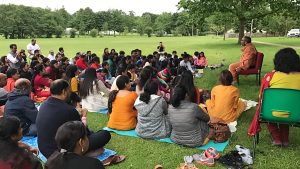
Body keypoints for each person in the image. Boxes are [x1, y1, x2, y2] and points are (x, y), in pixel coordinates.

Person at [36, 79, 111, 158]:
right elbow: (83, 133)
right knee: (104, 134)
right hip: (61, 153)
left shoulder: (43, 105)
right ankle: (82, 154)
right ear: (64, 91)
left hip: (44, 149)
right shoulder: (68, 110)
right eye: (69, 91)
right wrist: (84, 117)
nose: (70, 93)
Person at [249, 48, 300, 146]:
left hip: (271, 113)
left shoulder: (270, 76)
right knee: (286, 111)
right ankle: (285, 140)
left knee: (267, 111)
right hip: (296, 115)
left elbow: (262, 98)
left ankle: (277, 138)